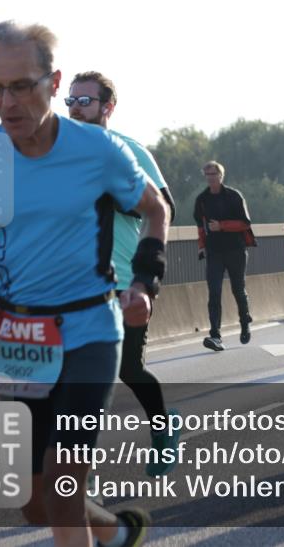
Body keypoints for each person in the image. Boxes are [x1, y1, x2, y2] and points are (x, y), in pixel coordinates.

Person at [0, 21, 168, 546]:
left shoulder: (98, 149)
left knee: (63, 486)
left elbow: (156, 210)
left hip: (89, 329)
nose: (7, 101)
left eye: (20, 86)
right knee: (34, 501)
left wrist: (144, 283)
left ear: (54, 81)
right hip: (16, 337)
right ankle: (114, 531)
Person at [66, 70, 181, 478]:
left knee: (127, 369)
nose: (76, 109)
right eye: (71, 101)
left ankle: (165, 428)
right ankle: (83, 472)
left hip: (126, 280)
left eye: (85, 101)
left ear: (107, 107)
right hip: (73, 284)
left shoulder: (129, 151)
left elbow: (165, 207)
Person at [195, 161, 256, 351]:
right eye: (207, 174)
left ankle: (245, 322)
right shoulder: (202, 199)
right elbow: (201, 226)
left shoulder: (234, 196)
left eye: (213, 174)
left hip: (236, 250)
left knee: (238, 288)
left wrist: (222, 226)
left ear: (221, 175)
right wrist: (201, 246)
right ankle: (215, 336)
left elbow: (245, 223)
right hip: (214, 251)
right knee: (214, 291)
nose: (210, 177)